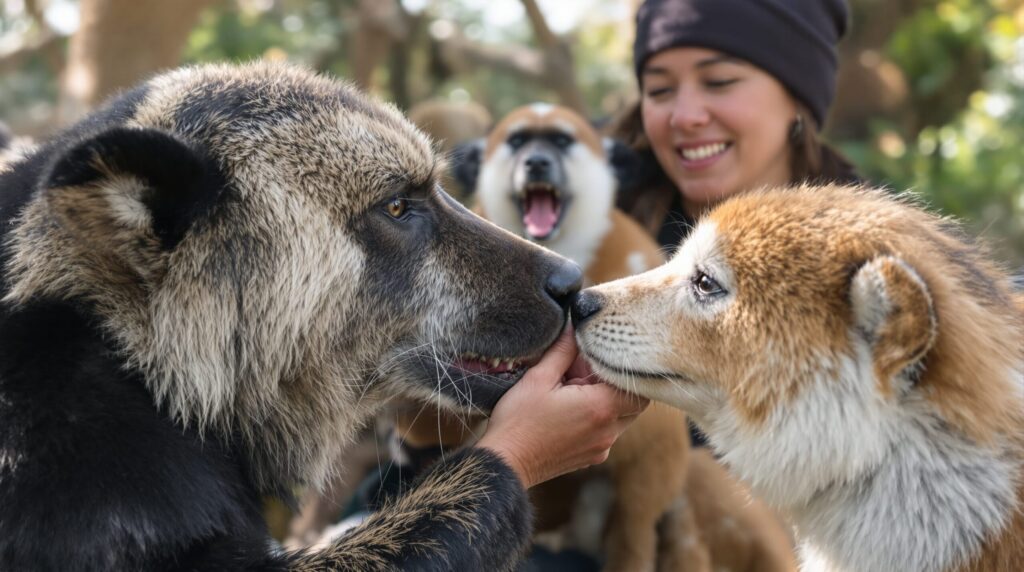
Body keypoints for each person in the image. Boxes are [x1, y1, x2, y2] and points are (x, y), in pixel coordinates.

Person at [613, 0, 861, 251]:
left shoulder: (867, 252)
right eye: (660, 90)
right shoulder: (591, 226)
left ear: (798, 99)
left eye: (719, 82)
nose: (684, 117)